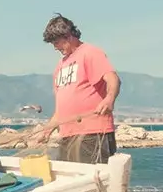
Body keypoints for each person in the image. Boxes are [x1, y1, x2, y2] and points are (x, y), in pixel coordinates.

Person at [28, 13, 121, 163]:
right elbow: (62, 110)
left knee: (92, 180)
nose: (55, 48)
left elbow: (113, 78)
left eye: (57, 42)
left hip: (92, 133)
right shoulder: (60, 66)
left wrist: (109, 99)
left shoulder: (90, 53)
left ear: (68, 35)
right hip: (67, 135)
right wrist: (46, 131)